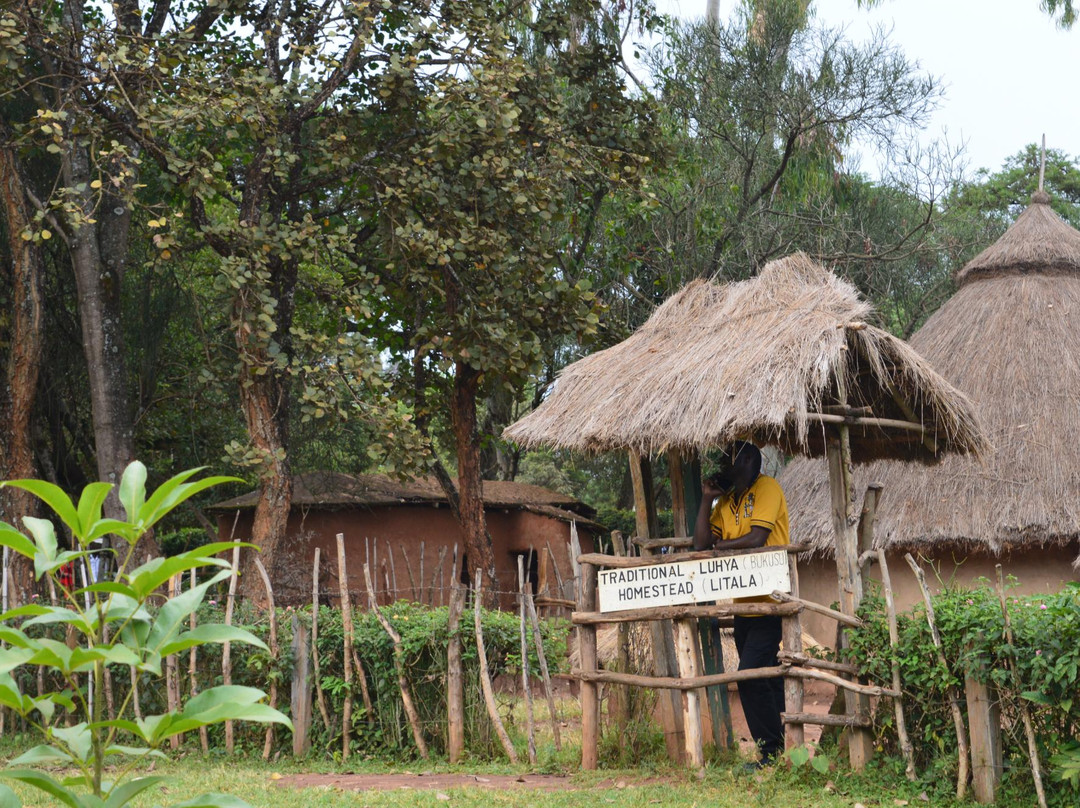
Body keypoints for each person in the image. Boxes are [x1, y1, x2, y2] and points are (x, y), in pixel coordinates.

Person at [693, 441, 789, 766]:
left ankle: (770, 751)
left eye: (726, 459)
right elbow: (701, 542)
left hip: (771, 602)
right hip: (744, 606)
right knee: (769, 675)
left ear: (746, 459)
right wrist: (708, 498)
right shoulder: (727, 501)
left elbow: (757, 538)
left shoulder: (767, 488)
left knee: (749, 674)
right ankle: (783, 748)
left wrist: (723, 547)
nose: (721, 465)